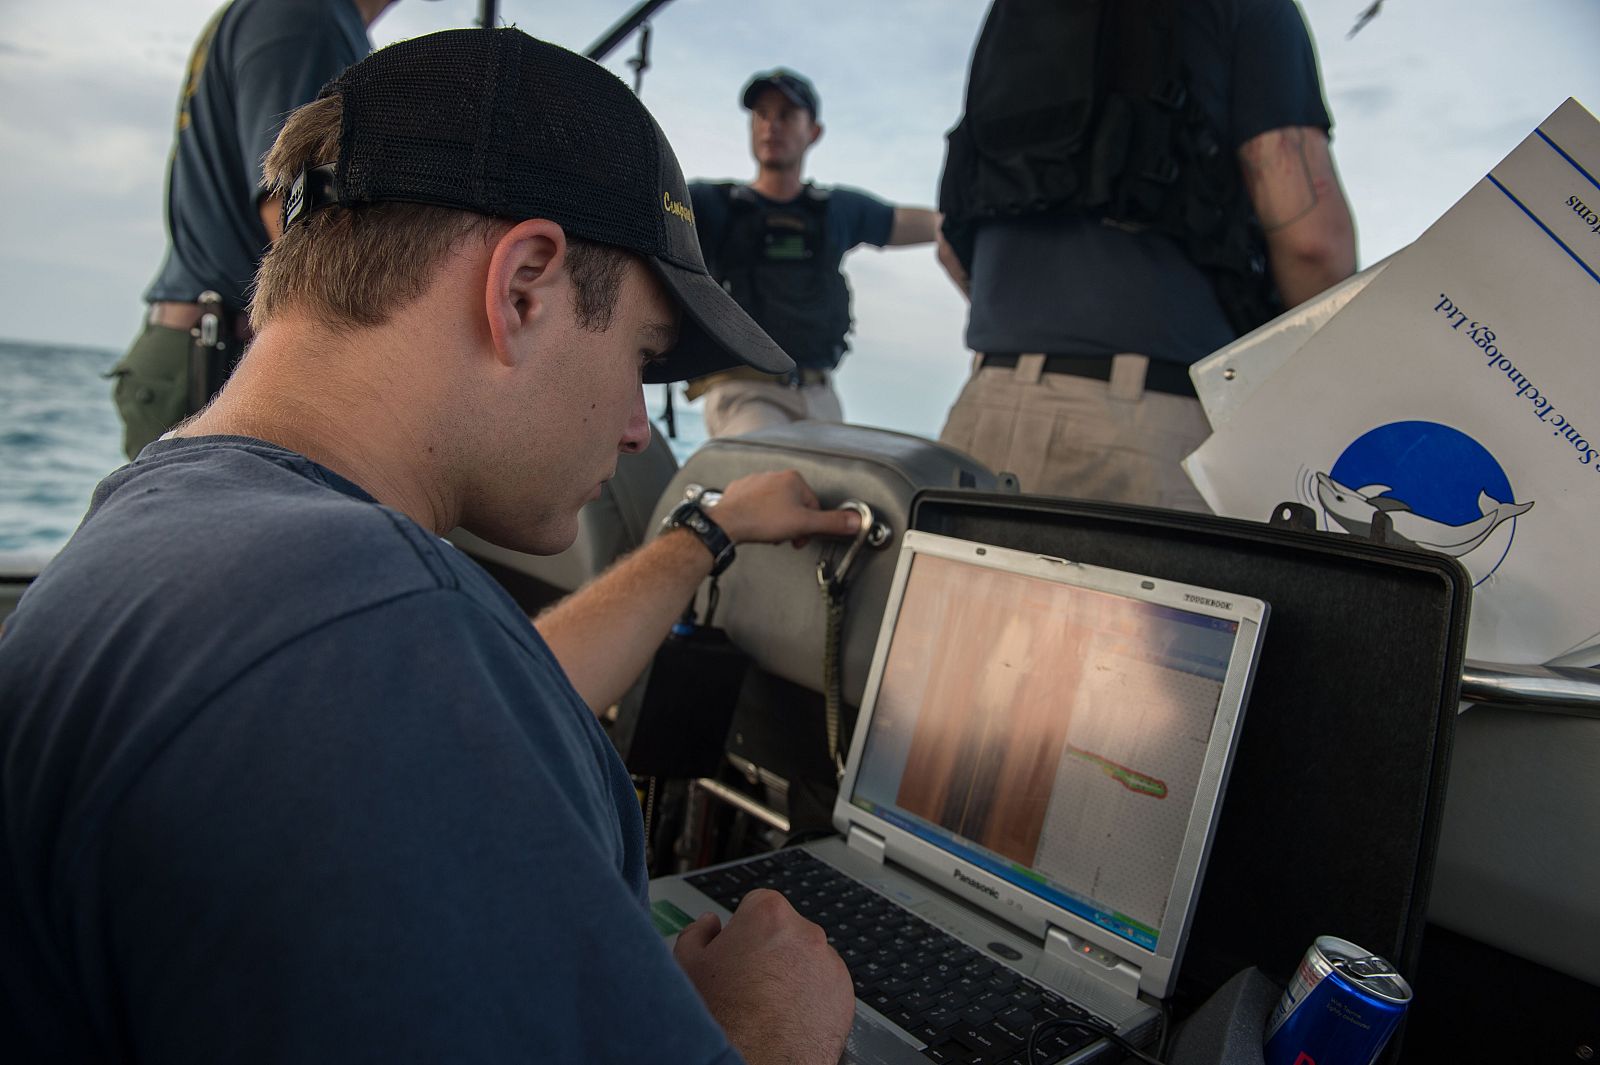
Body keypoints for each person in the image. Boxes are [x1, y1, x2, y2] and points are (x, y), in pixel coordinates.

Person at [2, 29, 860, 1064]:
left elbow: (468, 696)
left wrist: (704, 534)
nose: (640, 426)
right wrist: (764, 1034)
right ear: (524, 287)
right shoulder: (361, 629)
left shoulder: (186, 531)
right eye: (644, 356)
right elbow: (398, 681)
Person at [935, 0, 1357, 511]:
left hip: (980, 415)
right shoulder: (1253, 9)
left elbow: (951, 245)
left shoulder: (1015, 14)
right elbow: (1312, 244)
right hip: (1144, 432)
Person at [110, 0, 401, 460]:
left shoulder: (296, 16)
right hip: (221, 365)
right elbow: (296, 212)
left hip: (207, 353)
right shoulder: (310, 17)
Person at [683, 68, 940, 437]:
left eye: (786, 115)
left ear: (814, 132)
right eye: (762, 114)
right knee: (773, 479)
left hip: (820, 393)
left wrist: (969, 222)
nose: (772, 125)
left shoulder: (836, 210)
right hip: (743, 393)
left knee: (850, 489)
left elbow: (923, 223)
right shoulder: (710, 205)